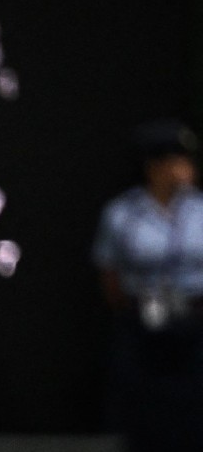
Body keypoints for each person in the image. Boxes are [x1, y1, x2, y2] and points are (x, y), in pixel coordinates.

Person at [92, 119, 203, 452]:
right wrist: (133, 309)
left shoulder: (200, 210)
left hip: (194, 321)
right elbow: (109, 273)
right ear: (155, 165)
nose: (187, 169)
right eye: (177, 161)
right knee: (144, 410)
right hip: (143, 322)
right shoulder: (123, 213)